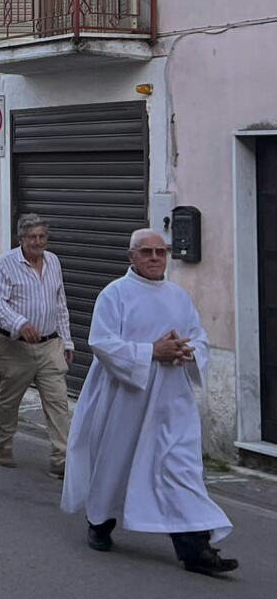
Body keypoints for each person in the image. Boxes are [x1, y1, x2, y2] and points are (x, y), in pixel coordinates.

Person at [61, 229, 238, 576]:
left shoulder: (179, 296)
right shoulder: (115, 295)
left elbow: (199, 338)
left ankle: (196, 549)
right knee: (116, 463)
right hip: (126, 399)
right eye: (147, 252)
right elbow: (101, 342)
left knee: (181, 470)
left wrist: (187, 352)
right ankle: (100, 523)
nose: (156, 258)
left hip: (172, 402)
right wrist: (150, 352)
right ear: (132, 257)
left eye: (162, 251)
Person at [0, 214, 73, 476]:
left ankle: (62, 460)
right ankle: (3, 443)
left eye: (42, 236)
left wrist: (67, 339)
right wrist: (20, 324)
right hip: (15, 347)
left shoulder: (54, 262)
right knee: (9, 400)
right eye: (32, 237)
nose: (38, 241)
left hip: (50, 346)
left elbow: (60, 304)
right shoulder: (6, 264)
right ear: (21, 238)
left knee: (58, 402)